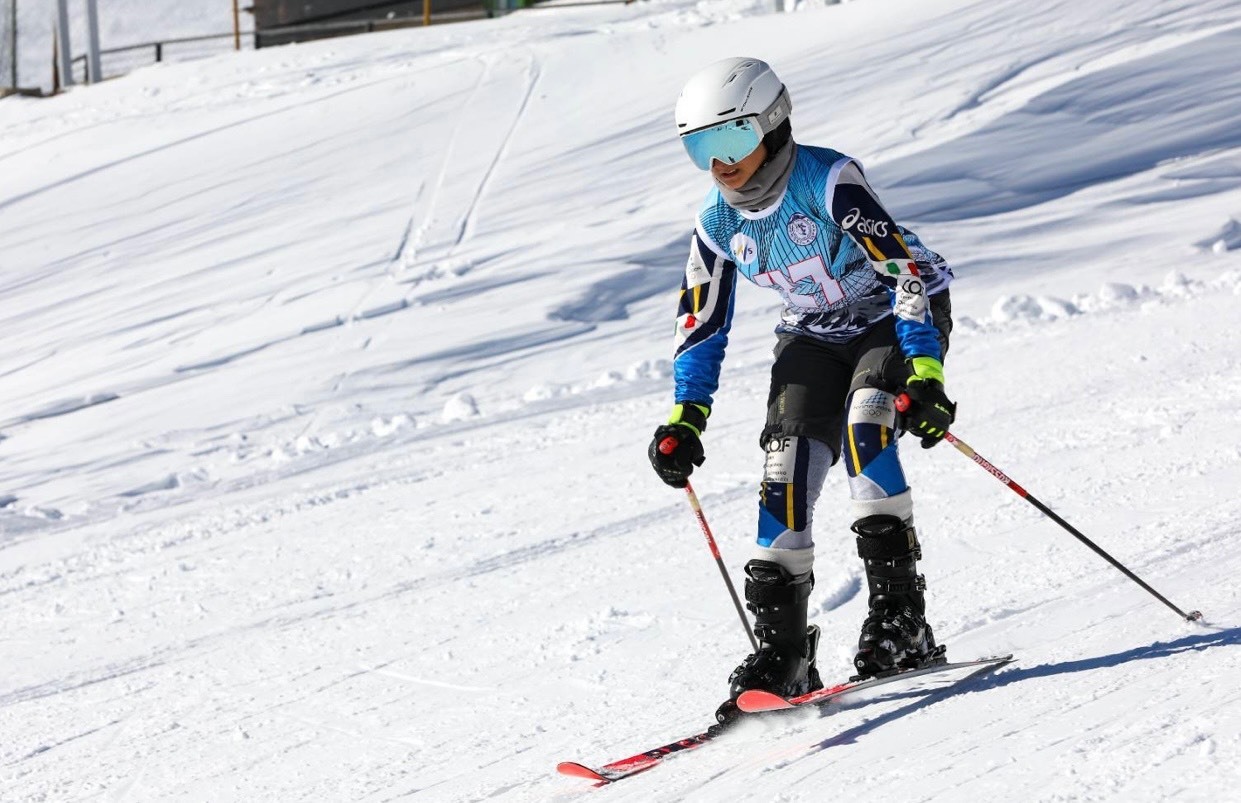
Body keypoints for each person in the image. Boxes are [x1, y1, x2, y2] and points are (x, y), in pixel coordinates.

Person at [647, 57, 957, 721]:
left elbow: (902, 273)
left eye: (730, 139)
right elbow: (702, 324)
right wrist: (685, 417)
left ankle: (900, 618)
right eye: (699, 147)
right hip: (813, 333)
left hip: (892, 314)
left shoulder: (828, 180)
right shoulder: (717, 223)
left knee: (866, 424)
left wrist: (925, 372)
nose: (718, 163)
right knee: (784, 464)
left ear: (771, 124)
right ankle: (783, 651)